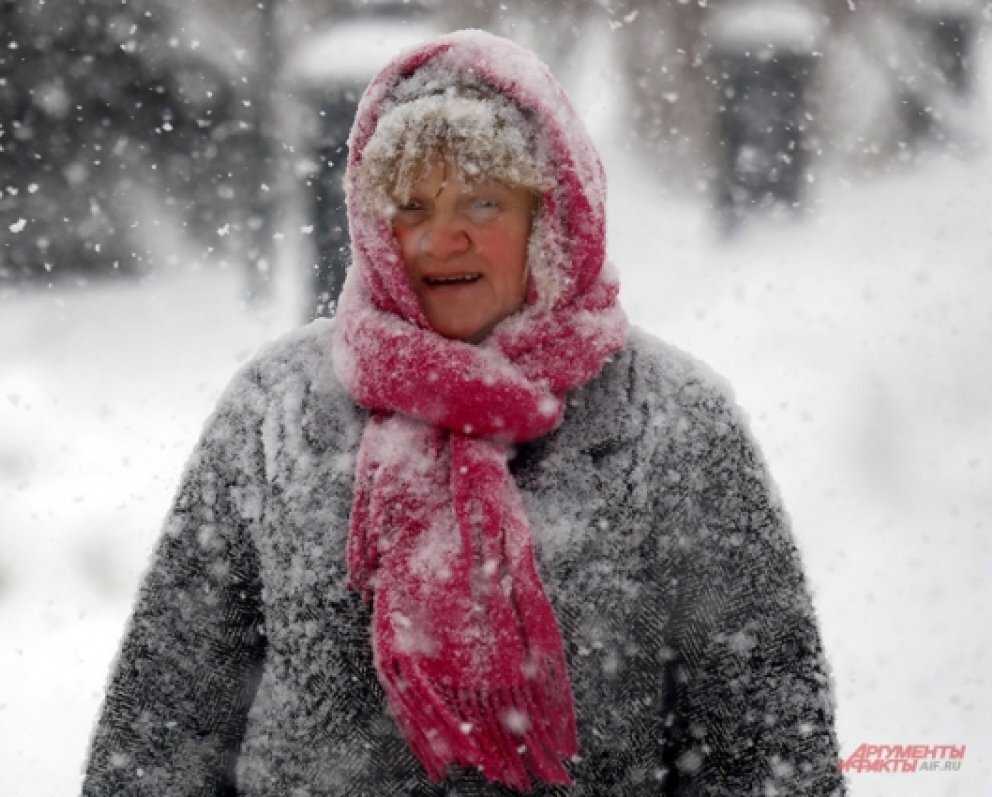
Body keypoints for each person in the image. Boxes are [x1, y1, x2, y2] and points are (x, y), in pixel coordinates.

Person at [82, 30, 844, 796]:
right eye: (411, 205)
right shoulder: (276, 409)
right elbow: (162, 731)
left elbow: (769, 751)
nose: (442, 238)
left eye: (483, 200)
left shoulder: (672, 420)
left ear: (550, 217)